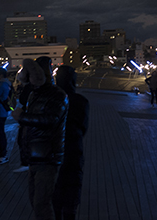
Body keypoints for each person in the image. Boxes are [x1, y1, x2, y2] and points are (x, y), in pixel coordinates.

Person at [12, 57, 68, 220]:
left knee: (41, 204)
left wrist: (22, 117)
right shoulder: (34, 94)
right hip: (35, 156)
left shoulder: (57, 94)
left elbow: (51, 120)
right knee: (35, 201)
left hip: (48, 156)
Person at [53, 65, 90, 220]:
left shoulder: (52, 99)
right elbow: (83, 127)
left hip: (53, 151)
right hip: (74, 149)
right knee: (72, 189)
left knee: (56, 188)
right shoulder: (80, 101)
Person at [14, 78, 35, 173]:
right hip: (28, 118)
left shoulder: (29, 89)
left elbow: (23, 100)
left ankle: (26, 162)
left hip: (27, 118)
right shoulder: (33, 87)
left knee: (23, 140)